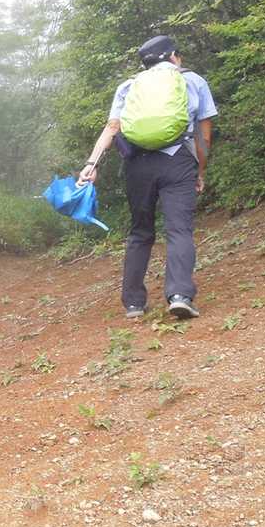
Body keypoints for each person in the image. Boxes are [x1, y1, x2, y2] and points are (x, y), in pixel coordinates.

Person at [77, 35, 217, 319]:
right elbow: (203, 136)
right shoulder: (193, 81)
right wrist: (200, 170)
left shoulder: (129, 86)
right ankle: (180, 295)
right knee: (179, 230)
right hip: (177, 161)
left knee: (140, 232)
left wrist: (91, 164)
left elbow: (112, 128)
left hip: (137, 164)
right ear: (174, 56)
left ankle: (134, 303)